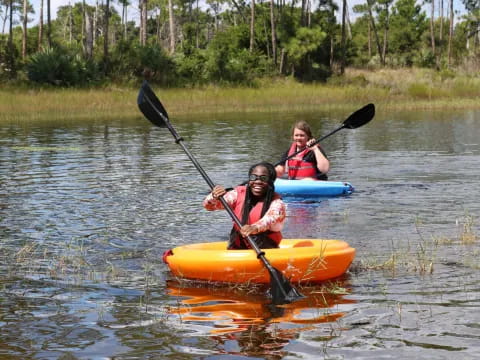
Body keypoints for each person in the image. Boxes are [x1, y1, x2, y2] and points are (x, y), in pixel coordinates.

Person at [203, 162, 286, 250]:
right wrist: (213, 197)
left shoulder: (277, 203)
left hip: (264, 250)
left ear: (270, 181)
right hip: (237, 248)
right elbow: (209, 206)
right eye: (253, 177)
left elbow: (269, 220)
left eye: (263, 178)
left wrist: (254, 228)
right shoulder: (237, 194)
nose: (257, 181)